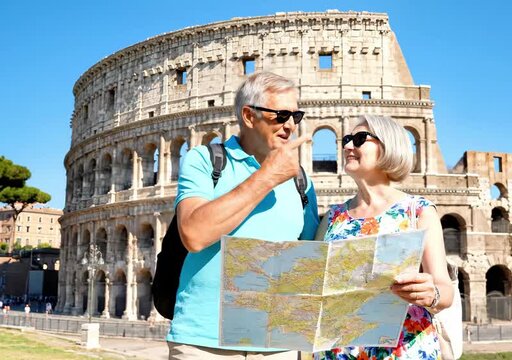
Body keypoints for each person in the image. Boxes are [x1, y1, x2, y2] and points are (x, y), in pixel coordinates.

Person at [166, 72, 319, 359]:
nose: (290, 125)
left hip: (277, 345)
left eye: (295, 116)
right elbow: (194, 235)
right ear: (249, 116)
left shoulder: (302, 183)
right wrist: (268, 176)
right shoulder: (205, 160)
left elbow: (310, 259)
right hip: (205, 343)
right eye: (282, 115)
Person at [313, 115, 454, 360]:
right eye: (346, 139)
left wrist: (431, 294)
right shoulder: (332, 218)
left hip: (404, 349)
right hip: (340, 350)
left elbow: (445, 289)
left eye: (358, 139)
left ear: (388, 146)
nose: (347, 146)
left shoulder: (418, 211)